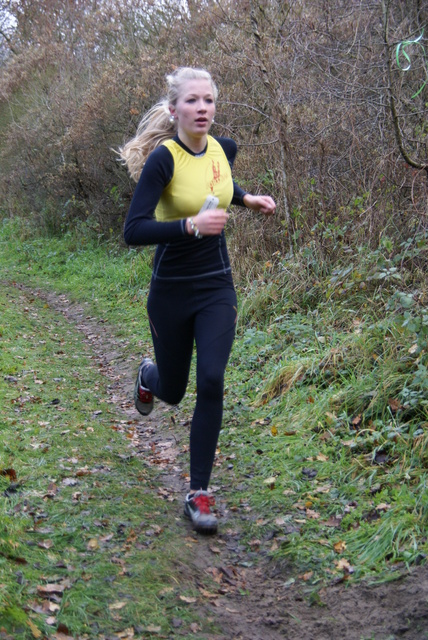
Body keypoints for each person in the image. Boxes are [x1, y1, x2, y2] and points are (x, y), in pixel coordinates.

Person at [120, 67, 276, 535]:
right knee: (174, 390)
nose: (202, 108)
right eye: (192, 101)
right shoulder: (163, 160)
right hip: (170, 290)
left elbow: (222, 184)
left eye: (208, 99)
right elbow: (133, 230)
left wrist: (248, 200)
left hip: (216, 286)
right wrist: (188, 226)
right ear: (174, 110)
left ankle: (199, 492)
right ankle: (149, 376)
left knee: (211, 379)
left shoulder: (224, 149)